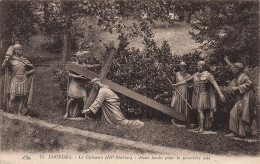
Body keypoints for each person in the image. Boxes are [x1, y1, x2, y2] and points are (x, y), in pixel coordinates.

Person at [173, 61, 225, 133]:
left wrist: (220, 94)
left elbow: (215, 85)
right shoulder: (196, 74)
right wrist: (176, 84)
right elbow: (186, 80)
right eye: (197, 65)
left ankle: (201, 128)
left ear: (203, 66)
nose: (197, 67)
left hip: (203, 94)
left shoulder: (208, 75)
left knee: (200, 110)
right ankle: (199, 126)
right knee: (197, 110)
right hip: (195, 95)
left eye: (199, 66)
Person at [224, 56, 258, 138]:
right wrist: (227, 60)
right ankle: (239, 132)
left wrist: (237, 88)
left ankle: (240, 133)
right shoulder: (238, 75)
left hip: (246, 99)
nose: (234, 70)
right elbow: (232, 67)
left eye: (236, 69)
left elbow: (250, 84)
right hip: (242, 98)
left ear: (240, 69)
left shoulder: (244, 76)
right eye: (234, 68)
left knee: (236, 112)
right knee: (238, 113)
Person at [64, 51, 99, 118]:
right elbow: (69, 74)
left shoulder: (83, 65)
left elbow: (89, 66)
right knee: (72, 99)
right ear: (78, 57)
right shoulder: (74, 64)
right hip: (74, 83)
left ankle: (86, 115)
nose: (83, 59)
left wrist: (97, 65)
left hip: (80, 85)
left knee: (85, 98)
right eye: (81, 57)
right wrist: (78, 76)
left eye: (83, 57)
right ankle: (67, 113)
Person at [2, 44, 35, 115]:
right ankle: (11, 112)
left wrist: (26, 74)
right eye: (19, 49)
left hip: (23, 80)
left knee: (22, 97)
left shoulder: (24, 60)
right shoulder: (11, 60)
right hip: (14, 80)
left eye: (22, 49)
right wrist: (5, 60)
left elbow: (33, 69)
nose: (21, 51)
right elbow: (3, 67)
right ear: (15, 50)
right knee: (12, 97)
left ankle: (20, 113)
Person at [170, 62, 192, 126]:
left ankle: (185, 120)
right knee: (175, 104)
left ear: (185, 67)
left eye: (183, 66)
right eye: (180, 66)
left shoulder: (189, 75)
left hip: (185, 92)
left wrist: (190, 87)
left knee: (184, 105)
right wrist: (173, 89)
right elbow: (173, 82)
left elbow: (191, 84)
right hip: (178, 91)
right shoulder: (177, 74)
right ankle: (174, 119)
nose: (181, 68)